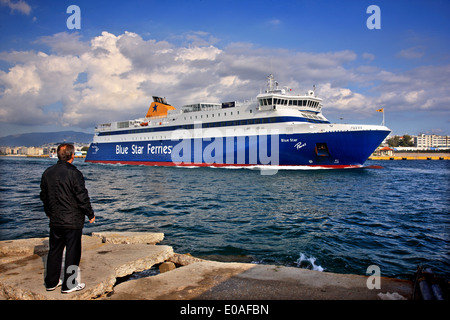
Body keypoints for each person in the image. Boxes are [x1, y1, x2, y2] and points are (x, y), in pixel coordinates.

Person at [40, 143, 95, 293]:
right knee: (72, 251)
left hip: (55, 220)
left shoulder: (47, 173)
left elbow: (43, 197)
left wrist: (49, 212)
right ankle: (69, 284)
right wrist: (90, 213)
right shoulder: (74, 173)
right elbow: (81, 196)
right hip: (73, 221)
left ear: (58, 155)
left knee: (55, 250)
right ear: (72, 156)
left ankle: (51, 282)